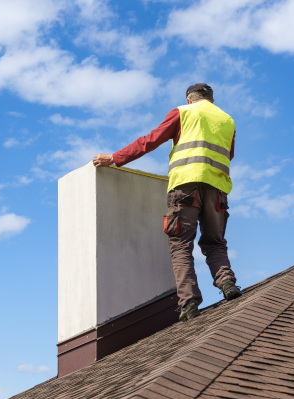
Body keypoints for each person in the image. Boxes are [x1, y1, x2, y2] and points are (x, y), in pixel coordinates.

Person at [92, 83, 240, 321]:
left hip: (185, 186)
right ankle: (227, 282)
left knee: (181, 243)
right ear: (211, 100)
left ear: (189, 99)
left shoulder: (183, 112)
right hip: (217, 189)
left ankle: (189, 302)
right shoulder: (227, 120)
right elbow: (228, 154)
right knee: (215, 242)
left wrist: (114, 158)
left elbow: (150, 140)